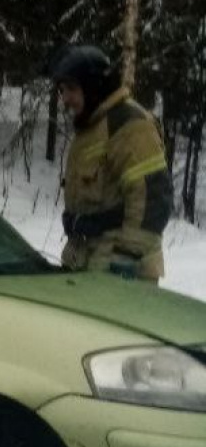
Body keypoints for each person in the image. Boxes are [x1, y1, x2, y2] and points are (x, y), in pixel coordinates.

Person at [49, 45, 173, 281]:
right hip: (88, 260)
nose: (65, 99)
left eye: (72, 89)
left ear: (93, 87)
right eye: (62, 90)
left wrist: (126, 258)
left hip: (119, 268)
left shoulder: (130, 125)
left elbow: (153, 199)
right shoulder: (92, 126)